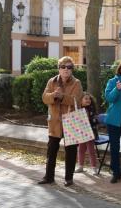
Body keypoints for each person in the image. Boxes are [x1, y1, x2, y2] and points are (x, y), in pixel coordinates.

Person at [38, 56, 83, 187]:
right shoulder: (51, 81)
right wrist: (53, 95)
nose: (66, 70)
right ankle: (49, 177)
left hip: (71, 120)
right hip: (55, 121)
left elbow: (76, 100)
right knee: (51, 150)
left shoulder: (77, 83)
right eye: (63, 67)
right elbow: (45, 98)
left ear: (72, 69)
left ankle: (69, 178)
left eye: (69, 67)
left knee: (71, 151)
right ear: (59, 68)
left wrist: (62, 96)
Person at [75, 92, 99, 175]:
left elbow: (95, 121)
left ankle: (94, 167)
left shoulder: (91, 109)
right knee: (81, 150)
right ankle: (80, 166)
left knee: (91, 150)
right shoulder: (78, 109)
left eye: (89, 99)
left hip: (90, 133)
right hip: (81, 133)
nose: (88, 100)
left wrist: (92, 119)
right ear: (80, 100)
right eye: (86, 98)